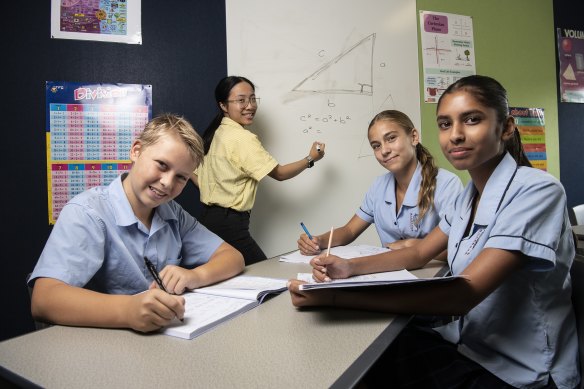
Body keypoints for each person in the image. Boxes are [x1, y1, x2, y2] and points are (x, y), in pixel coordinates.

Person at [288, 75, 580, 389]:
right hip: (469, 344)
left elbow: (463, 292)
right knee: (373, 360)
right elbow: (417, 253)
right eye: (444, 124)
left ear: (507, 127)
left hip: (519, 371)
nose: (455, 135)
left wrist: (333, 298)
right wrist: (348, 268)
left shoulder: (537, 190)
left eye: (472, 120)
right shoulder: (468, 197)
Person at [29, 114, 245, 333]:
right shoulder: (87, 212)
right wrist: (128, 311)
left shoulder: (173, 214)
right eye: (162, 165)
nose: (167, 183)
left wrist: (195, 275)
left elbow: (233, 257)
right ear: (136, 151)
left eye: (181, 177)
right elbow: (44, 300)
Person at [192, 75, 325, 265]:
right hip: (230, 226)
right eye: (241, 100)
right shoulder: (242, 138)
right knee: (264, 275)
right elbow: (279, 174)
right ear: (223, 105)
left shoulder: (215, 134)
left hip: (208, 221)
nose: (250, 105)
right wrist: (311, 158)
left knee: (230, 282)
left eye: (253, 99)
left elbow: (198, 179)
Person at [297, 110, 462, 260]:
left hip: (432, 278)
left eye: (391, 138)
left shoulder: (446, 184)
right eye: (376, 146)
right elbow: (350, 230)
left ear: (413, 137)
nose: (384, 150)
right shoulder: (379, 186)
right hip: (389, 273)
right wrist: (319, 241)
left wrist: (412, 246)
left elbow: (459, 247)